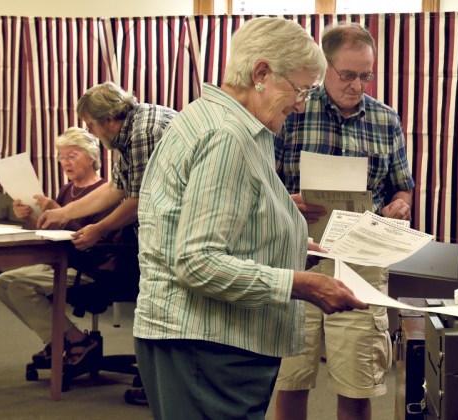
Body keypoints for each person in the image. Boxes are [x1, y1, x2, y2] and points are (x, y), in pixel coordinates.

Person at [132, 17, 368, 419]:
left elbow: (210, 227)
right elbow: (198, 262)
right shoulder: (230, 136)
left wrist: (289, 240)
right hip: (208, 345)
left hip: (194, 338)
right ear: (261, 73)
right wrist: (299, 283)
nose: (300, 105)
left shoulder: (210, 117)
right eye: (300, 89)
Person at [274, 23, 415, 420]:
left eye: (366, 75)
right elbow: (259, 186)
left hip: (360, 262)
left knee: (357, 384)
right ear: (325, 68)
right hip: (296, 255)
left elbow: (402, 187)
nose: (358, 85)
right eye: (348, 75)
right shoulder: (293, 111)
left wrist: (399, 206)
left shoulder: (386, 120)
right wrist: (288, 200)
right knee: (291, 379)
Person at [0, 127, 118, 366]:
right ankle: (60, 341)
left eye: (72, 156)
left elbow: (92, 242)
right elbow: (55, 233)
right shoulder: (67, 189)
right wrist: (29, 218)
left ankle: (77, 341)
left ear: (92, 157)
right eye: (61, 157)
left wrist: (59, 212)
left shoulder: (104, 192)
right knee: (2, 282)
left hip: (90, 268)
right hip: (63, 262)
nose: (65, 163)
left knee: (19, 286)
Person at [37, 81, 177, 251]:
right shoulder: (132, 126)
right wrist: (62, 213)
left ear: (108, 120)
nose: (91, 133)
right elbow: (114, 189)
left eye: (90, 125)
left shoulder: (143, 133)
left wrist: (99, 229)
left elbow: (140, 201)